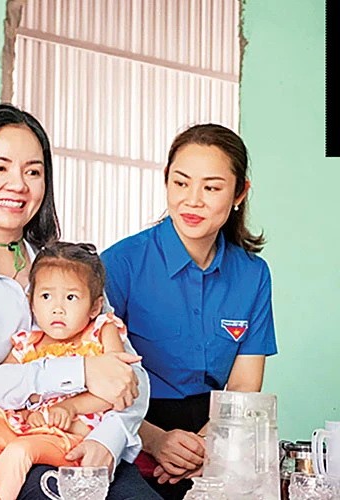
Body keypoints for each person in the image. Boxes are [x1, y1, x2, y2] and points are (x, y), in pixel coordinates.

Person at [0, 103, 160, 500]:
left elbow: (129, 376)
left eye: (33, 171)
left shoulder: (64, 266)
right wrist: (82, 371)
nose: (18, 184)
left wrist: (106, 441)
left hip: (78, 432)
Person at [101, 123, 277, 499]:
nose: (192, 200)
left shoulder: (253, 275)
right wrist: (154, 440)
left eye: (211, 188)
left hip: (216, 435)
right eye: (181, 183)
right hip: (132, 432)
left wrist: (209, 447)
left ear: (239, 193)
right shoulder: (120, 264)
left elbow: (245, 387)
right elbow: (99, 378)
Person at [0, 242, 130, 500]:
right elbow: (1, 388)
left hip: (74, 434)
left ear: (95, 306)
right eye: (46, 296)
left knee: (19, 452)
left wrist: (71, 407)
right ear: (31, 302)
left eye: (71, 297)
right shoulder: (27, 344)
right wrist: (24, 412)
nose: (57, 308)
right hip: (26, 425)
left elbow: (120, 388)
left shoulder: (101, 331)